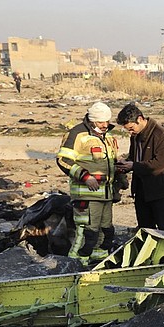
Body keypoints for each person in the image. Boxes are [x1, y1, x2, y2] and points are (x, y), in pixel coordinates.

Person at [56, 102, 121, 265]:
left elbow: (109, 162)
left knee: (106, 231)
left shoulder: (108, 136)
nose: (105, 125)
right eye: (101, 122)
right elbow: (63, 160)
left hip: (106, 194)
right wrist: (86, 177)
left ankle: (98, 259)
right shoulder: (77, 134)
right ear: (92, 120)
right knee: (87, 232)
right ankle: (76, 263)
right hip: (86, 194)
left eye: (107, 121)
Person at [115, 103, 164, 231]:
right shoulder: (135, 136)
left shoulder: (161, 135)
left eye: (131, 128)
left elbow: (161, 163)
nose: (130, 132)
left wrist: (134, 165)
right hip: (141, 188)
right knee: (144, 226)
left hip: (160, 189)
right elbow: (133, 157)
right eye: (128, 130)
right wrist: (125, 165)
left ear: (140, 119)